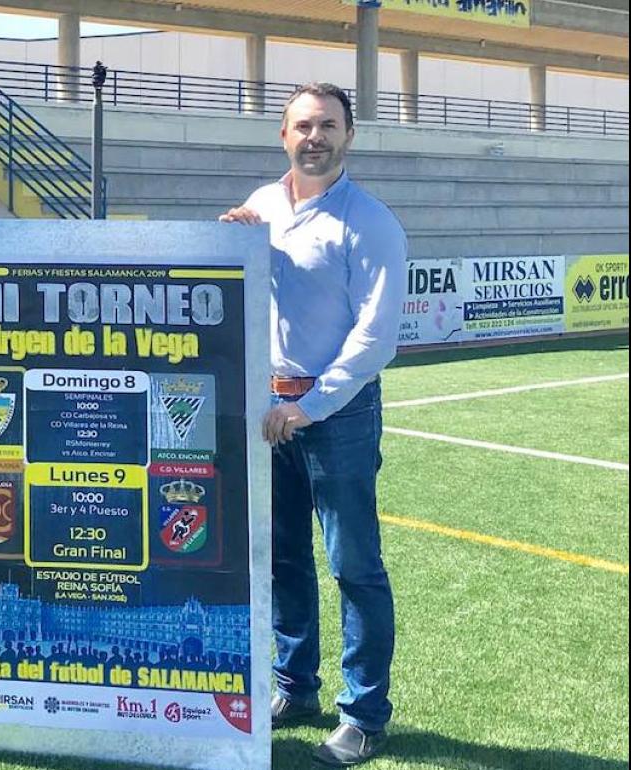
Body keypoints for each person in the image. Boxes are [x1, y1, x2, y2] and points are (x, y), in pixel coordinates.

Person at [220, 82, 406, 767]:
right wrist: (231, 247)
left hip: (336, 414)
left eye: (328, 125)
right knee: (282, 557)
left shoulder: (372, 222)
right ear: (283, 134)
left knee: (353, 565)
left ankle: (363, 713)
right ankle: (295, 687)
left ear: (349, 135)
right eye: (303, 125)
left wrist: (312, 404)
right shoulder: (262, 205)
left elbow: (375, 338)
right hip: (269, 409)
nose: (315, 136)